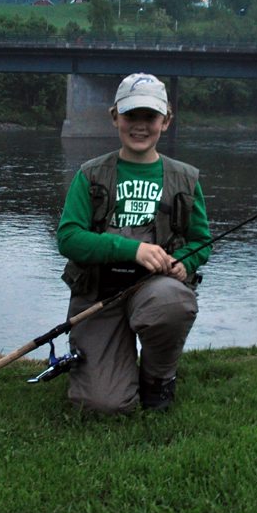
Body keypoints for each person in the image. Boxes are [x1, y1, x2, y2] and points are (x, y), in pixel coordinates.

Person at [57, 73, 212, 414]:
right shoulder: (91, 175)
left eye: (150, 117)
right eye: (130, 116)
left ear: (166, 121)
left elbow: (202, 241)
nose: (139, 126)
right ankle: (111, 370)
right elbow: (68, 238)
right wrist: (134, 249)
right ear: (115, 117)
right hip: (99, 293)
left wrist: (185, 261)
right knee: (101, 405)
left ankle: (158, 378)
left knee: (173, 303)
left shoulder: (185, 179)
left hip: (154, 288)